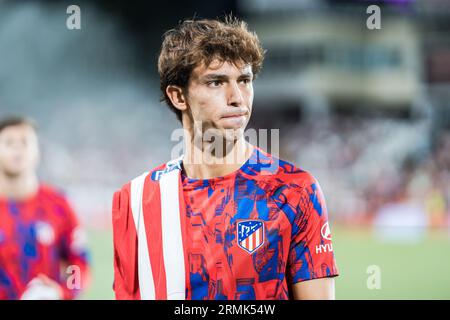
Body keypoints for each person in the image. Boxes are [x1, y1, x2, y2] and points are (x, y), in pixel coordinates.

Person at [112, 17, 338, 300]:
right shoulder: (134, 200)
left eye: (244, 80)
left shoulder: (294, 191)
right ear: (178, 96)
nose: (237, 98)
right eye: (216, 82)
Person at [0, 116, 90, 299]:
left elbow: (78, 262)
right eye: (9, 142)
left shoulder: (58, 205)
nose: (17, 149)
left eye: (24, 142)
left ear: (37, 151)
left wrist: (62, 292)